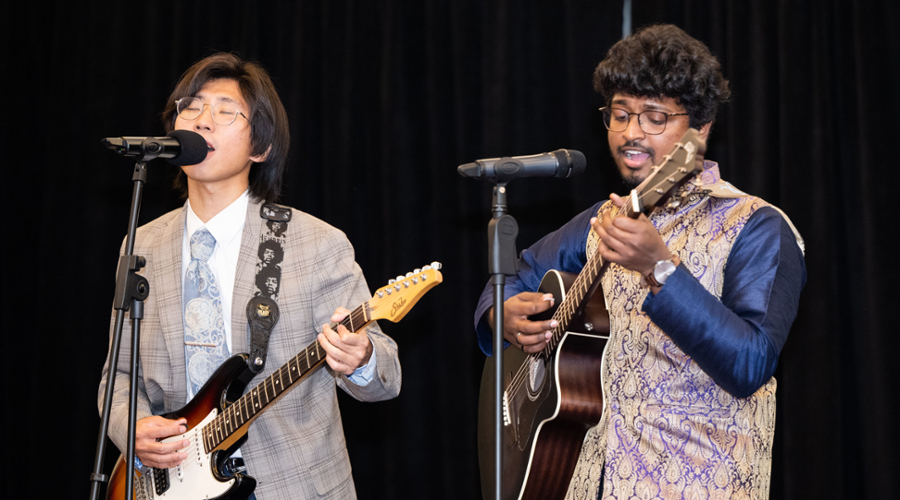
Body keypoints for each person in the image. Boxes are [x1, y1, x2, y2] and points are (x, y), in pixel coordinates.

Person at [473, 24, 805, 499]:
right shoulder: (601, 220)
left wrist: (660, 268)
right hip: (588, 481)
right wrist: (500, 315)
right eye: (621, 113)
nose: (631, 133)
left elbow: (750, 364)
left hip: (701, 484)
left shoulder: (757, 226)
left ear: (701, 128)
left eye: (654, 117)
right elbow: (512, 275)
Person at [98, 53, 401, 500]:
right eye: (192, 106)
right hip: (172, 486)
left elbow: (387, 377)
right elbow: (118, 376)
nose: (202, 120)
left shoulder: (317, 243)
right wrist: (134, 428)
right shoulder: (141, 244)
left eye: (225, 110)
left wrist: (361, 359)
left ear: (260, 147)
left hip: (291, 486)